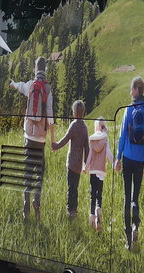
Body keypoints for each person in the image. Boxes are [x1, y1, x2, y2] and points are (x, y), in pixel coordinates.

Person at [10, 57, 54, 219]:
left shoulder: (29, 85)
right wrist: (53, 138)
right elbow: (50, 114)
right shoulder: (48, 88)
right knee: (40, 171)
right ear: (45, 69)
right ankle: (37, 200)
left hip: (28, 135)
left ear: (35, 70)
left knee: (27, 171)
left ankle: (25, 205)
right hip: (41, 138)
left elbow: (18, 85)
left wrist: (13, 84)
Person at [113, 76, 144, 249]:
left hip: (128, 158)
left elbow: (122, 136)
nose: (130, 93)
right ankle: (137, 226)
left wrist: (118, 158)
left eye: (131, 90)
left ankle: (128, 239)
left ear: (136, 91)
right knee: (135, 198)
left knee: (126, 197)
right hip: (140, 159)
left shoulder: (129, 110)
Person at [51, 99, 89, 219]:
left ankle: (70, 210)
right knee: (75, 188)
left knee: (70, 188)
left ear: (74, 113)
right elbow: (87, 147)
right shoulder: (84, 127)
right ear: (83, 112)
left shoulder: (73, 125)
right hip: (78, 165)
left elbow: (65, 139)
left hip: (71, 163)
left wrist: (56, 146)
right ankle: (74, 209)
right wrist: (85, 163)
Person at [83, 117, 110, 230]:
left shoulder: (92, 140)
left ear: (97, 126)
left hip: (93, 171)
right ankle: (98, 209)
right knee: (99, 195)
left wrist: (85, 167)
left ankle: (92, 222)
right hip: (101, 171)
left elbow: (89, 156)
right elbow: (108, 154)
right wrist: (115, 163)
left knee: (92, 195)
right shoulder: (105, 139)